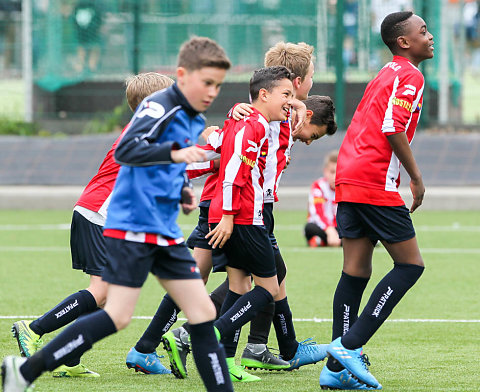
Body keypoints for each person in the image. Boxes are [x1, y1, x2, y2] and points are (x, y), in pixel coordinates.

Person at [2, 36, 234, 392]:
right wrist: (182, 155)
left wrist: (182, 190)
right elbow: (128, 150)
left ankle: (26, 370)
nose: (212, 92)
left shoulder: (184, 116)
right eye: (207, 83)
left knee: (202, 315)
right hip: (132, 227)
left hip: (161, 230)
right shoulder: (156, 109)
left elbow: (160, 168)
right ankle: (29, 367)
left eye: (218, 85)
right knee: (115, 312)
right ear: (182, 75)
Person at [11, 71, 175, 378]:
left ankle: (70, 358)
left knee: (110, 295)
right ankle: (33, 330)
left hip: (104, 218)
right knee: (102, 292)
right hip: (98, 215)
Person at [320, 11, 433, 390]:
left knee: (355, 271)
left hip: (349, 177)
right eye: (423, 31)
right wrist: (415, 178)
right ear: (404, 42)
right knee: (410, 266)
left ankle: (335, 373)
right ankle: (349, 347)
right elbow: (392, 127)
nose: (429, 36)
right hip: (373, 182)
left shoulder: (384, 73)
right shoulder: (410, 76)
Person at [304, 149, 341, 248]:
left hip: (339, 228)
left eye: (339, 172)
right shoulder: (318, 186)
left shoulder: (345, 187)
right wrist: (329, 230)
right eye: (332, 172)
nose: (335, 176)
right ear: (325, 171)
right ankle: (341, 241)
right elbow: (317, 212)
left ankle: (321, 241)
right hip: (322, 228)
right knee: (309, 228)